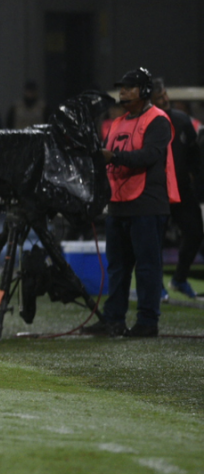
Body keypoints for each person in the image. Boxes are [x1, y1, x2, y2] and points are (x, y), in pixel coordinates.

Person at [84, 68, 179, 338]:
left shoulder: (158, 120)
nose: (123, 92)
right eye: (122, 88)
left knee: (147, 267)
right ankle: (114, 318)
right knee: (117, 266)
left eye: (129, 87)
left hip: (147, 204)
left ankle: (148, 322)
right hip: (119, 203)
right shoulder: (117, 123)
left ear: (145, 91)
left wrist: (112, 157)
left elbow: (149, 156)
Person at [153, 78, 200, 299]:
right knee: (155, 240)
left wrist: (191, 175)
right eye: (158, 97)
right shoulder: (148, 125)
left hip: (181, 189)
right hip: (157, 191)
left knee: (195, 232)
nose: (164, 100)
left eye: (164, 95)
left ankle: (179, 279)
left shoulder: (182, 121)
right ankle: (156, 285)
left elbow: (193, 150)